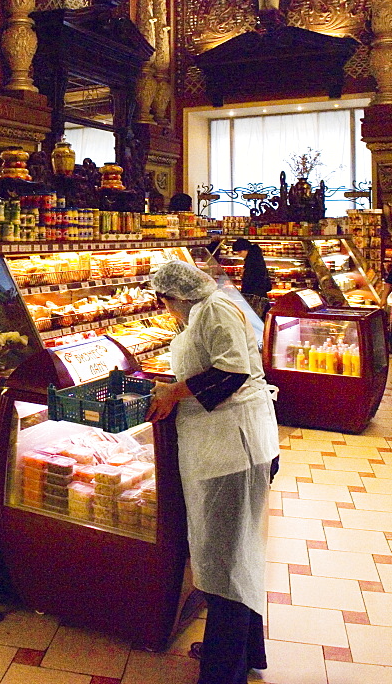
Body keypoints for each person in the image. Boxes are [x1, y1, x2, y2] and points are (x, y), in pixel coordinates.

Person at [147, 259, 279, 684]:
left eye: (164, 302)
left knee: (225, 562)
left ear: (173, 296)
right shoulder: (208, 308)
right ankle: (243, 649)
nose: (166, 310)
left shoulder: (214, 309)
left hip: (232, 450)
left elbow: (232, 370)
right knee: (236, 554)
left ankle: (223, 671)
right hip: (225, 445)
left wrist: (175, 391)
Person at [232, 236, 271, 319]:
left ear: (246, 249)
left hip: (255, 295)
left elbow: (251, 279)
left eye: (240, 252)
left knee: (256, 319)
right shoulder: (255, 257)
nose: (239, 255)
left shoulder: (252, 261)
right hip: (260, 294)